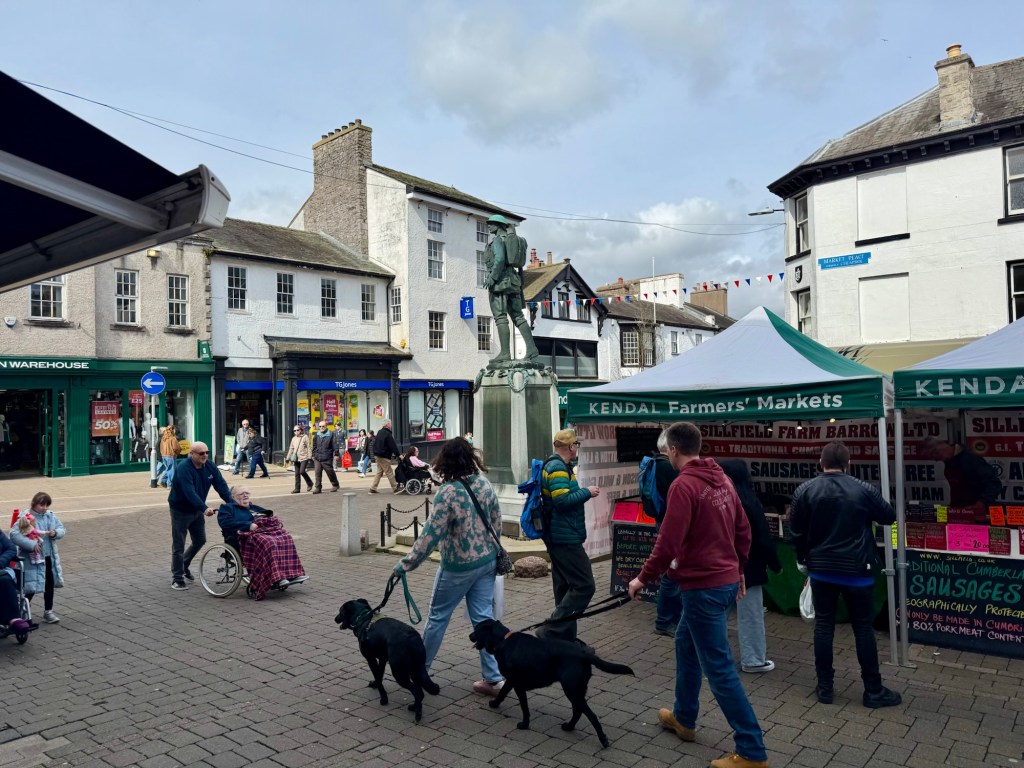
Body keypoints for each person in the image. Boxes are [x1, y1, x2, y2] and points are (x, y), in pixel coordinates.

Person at [627, 421, 767, 768]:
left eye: (667, 451)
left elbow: (668, 542)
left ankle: (752, 751)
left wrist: (642, 578)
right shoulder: (722, 478)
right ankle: (684, 717)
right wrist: (739, 569)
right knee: (685, 645)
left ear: (673, 449)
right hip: (720, 581)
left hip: (703, 586)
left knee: (719, 668)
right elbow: (743, 530)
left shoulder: (684, 485)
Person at [790, 441, 901, 709]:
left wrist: (804, 559)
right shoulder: (862, 489)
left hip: (822, 570)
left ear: (821, 462)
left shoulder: (805, 490)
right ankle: (873, 690)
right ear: (848, 463)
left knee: (823, 626)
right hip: (857, 570)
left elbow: (796, 531)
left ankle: (825, 688)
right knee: (863, 629)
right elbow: (889, 516)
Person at [394, 437, 504, 696]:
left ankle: (420, 670)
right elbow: (496, 521)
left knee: (437, 617)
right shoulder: (484, 484)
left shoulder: (447, 492)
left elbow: (430, 535)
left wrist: (405, 565)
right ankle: (493, 678)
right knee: (484, 618)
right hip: (487, 561)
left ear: (445, 461)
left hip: (457, 566)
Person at [537, 428, 599, 644]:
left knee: (564, 588)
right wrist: (587, 492)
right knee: (585, 585)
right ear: (571, 446)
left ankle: (564, 639)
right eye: (576, 445)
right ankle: (551, 629)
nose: (577, 449)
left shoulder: (558, 465)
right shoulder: (557, 468)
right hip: (564, 537)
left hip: (559, 535)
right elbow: (562, 501)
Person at [720, 459, 782, 674]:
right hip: (749, 567)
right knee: (750, 615)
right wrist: (775, 563)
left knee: (717, 615)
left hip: (721, 567)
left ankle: (714, 657)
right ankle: (753, 659)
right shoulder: (748, 501)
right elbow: (762, 536)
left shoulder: (716, 500)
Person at [168, 441, 232, 590]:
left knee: (200, 540)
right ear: (191, 454)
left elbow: (221, 485)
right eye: (201, 453)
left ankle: (184, 564)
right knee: (179, 545)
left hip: (197, 509)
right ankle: (177, 578)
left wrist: (233, 503)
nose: (205, 456)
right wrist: (204, 508)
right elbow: (189, 492)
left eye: (207, 452)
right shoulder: (183, 468)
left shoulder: (209, 466)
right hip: (180, 510)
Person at [217, 485, 306, 593]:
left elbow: (268, 515)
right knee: (269, 542)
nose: (245, 495)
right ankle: (277, 579)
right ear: (233, 497)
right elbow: (225, 523)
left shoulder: (254, 507)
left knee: (285, 538)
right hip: (242, 538)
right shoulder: (227, 508)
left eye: (247, 493)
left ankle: (292, 574)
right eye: (241, 494)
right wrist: (247, 525)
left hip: (262, 533)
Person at [482, 214, 539, 365]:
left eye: (491, 223)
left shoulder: (497, 241)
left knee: (500, 317)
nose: (489, 226)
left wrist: (492, 278)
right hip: (514, 282)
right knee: (518, 317)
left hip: (500, 283)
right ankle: (532, 349)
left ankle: (505, 353)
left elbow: (500, 259)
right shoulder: (509, 240)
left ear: (499, 225)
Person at [9, 493, 66, 624]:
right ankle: (23, 609)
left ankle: (48, 611)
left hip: (48, 556)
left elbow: (61, 529)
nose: (44, 508)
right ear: (34, 504)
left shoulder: (50, 515)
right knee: (31, 585)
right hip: (32, 559)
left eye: (47, 505)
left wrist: (55, 533)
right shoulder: (26, 517)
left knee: (49, 583)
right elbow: (14, 534)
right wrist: (32, 544)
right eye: (41, 505)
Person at [650, 431, 681, 637]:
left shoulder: (654, 463)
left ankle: (672, 618)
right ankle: (664, 621)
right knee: (671, 575)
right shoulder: (666, 467)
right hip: (669, 524)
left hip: (662, 520)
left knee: (672, 573)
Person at [921, 437, 1002, 514]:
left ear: (938, 450)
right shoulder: (949, 462)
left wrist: (982, 503)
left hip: (978, 512)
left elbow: (994, 483)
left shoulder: (971, 458)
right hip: (961, 511)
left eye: (934, 456)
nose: (935, 460)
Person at [0, 529, 31, 635]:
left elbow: (11, 549)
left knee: (4, 580)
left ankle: (14, 619)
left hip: (1, 569)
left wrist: (1, 562)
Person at [369, 420, 400, 494]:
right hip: (384, 456)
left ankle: (373, 488)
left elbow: (375, 443)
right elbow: (393, 446)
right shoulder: (387, 434)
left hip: (377, 455)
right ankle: (395, 488)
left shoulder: (379, 432)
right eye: (390, 424)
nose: (391, 425)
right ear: (387, 425)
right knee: (389, 472)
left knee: (379, 472)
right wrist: (398, 455)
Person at [311, 420, 340, 493]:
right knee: (317, 473)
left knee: (330, 472)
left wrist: (336, 454)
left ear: (326, 426)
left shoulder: (331, 434)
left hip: (327, 457)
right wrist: (313, 454)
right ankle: (318, 488)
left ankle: (335, 485)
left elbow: (335, 445)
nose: (321, 427)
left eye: (323, 426)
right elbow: (314, 445)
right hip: (317, 457)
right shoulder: (317, 435)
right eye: (320, 426)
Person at [287, 424, 313, 493]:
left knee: (302, 471)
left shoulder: (305, 437)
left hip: (304, 457)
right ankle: (297, 488)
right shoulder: (293, 438)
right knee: (297, 474)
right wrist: (287, 458)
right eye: (294, 431)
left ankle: (309, 483)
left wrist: (309, 456)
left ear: (301, 430)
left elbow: (309, 447)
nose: (296, 432)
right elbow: (291, 448)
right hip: (296, 458)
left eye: (297, 430)